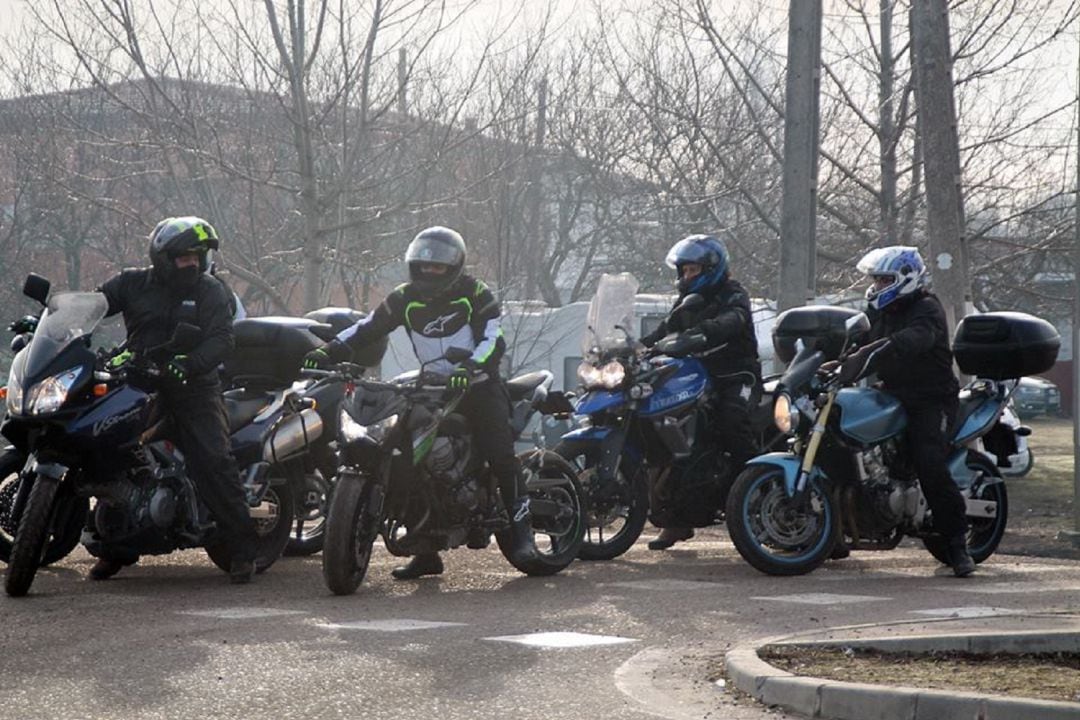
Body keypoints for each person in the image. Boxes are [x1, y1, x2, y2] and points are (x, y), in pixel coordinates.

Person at [302, 226, 537, 579]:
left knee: (499, 451)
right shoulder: (403, 297)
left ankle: (521, 529)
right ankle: (426, 551)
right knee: (406, 456)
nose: (430, 272)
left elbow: (493, 338)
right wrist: (329, 351)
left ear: (454, 267)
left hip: (479, 385)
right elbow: (367, 327)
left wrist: (471, 366)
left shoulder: (476, 294)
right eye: (424, 266)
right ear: (413, 265)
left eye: (438, 267)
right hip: (429, 386)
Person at [94, 217, 260, 584]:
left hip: (193, 388)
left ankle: (243, 550)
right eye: (184, 256)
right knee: (108, 451)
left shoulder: (210, 291)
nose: (193, 263)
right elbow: (91, 307)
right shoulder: (131, 283)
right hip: (137, 384)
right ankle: (116, 545)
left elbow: (222, 339)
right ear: (162, 256)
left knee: (213, 460)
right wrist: (51, 321)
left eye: (198, 256)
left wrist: (190, 362)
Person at [840, 245, 974, 577]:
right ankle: (835, 530)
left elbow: (912, 339)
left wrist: (872, 351)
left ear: (907, 278)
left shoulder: (926, 308)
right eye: (876, 280)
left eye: (886, 280)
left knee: (929, 461)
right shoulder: (878, 312)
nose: (878, 286)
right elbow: (858, 344)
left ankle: (957, 545)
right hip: (893, 394)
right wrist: (833, 358)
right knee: (844, 440)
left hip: (932, 399)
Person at [640, 234, 762, 550]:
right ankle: (677, 520)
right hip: (701, 377)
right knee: (675, 433)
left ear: (712, 267)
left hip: (738, 376)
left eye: (692, 269)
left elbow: (732, 321)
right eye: (683, 271)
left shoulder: (734, 294)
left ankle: (757, 493)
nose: (686, 276)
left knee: (732, 422)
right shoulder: (686, 301)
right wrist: (636, 348)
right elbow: (665, 329)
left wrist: (700, 335)